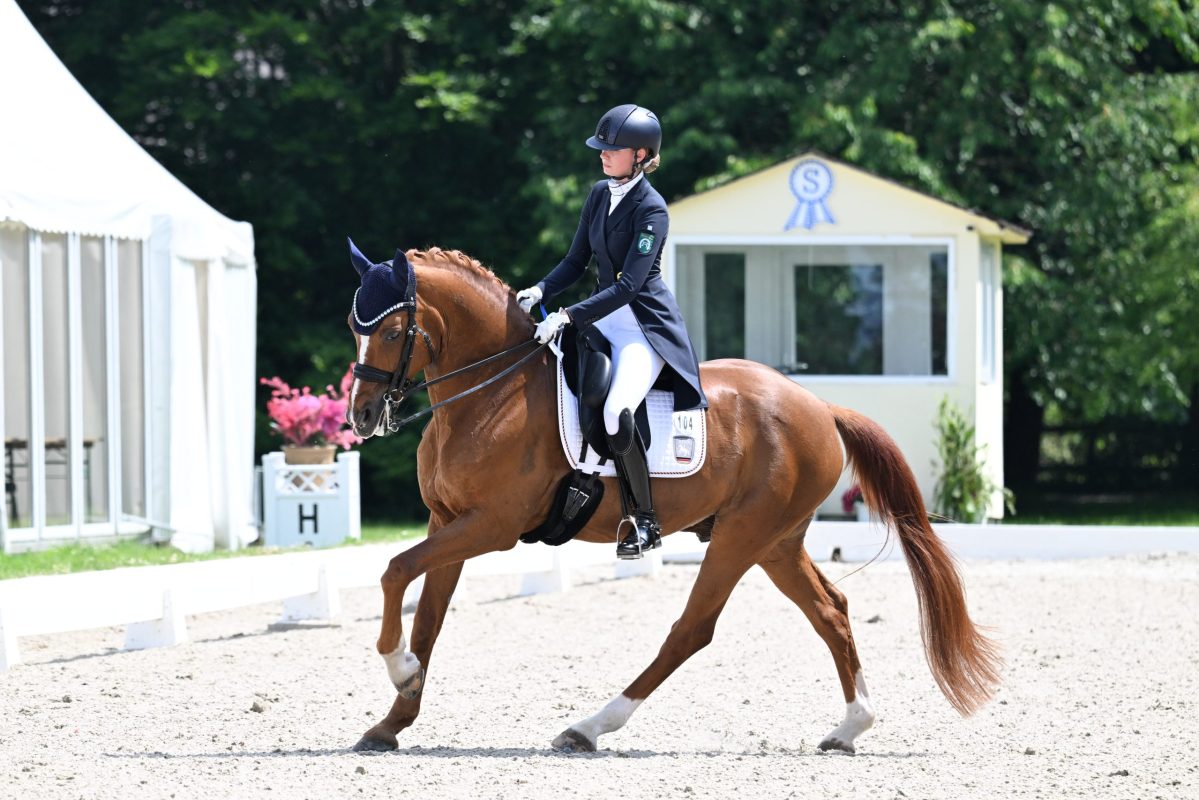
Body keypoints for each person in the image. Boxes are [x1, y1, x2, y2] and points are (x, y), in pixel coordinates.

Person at [516, 104, 708, 559]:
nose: (602, 154)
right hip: (601, 320)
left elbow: (628, 287)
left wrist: (566, 315)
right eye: (601, 148)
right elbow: (575, 261)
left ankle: (646, 521)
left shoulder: (652, 210)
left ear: (641, 155)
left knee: (616, 411)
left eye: (612, 149)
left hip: (642, 327)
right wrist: (540, 289)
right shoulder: (600, 195)